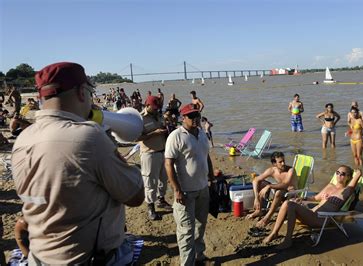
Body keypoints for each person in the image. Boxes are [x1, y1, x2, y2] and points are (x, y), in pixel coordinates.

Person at [12, 62, 144, 264]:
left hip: (40, 258)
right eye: (90, 92)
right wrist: (127, 162)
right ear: (82, 92)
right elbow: (135, 196)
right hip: (88, 258)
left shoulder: (23, 139)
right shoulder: (89, 137)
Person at [263, 166, 362, 249]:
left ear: (348, 177)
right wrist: (302, 199)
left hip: (321, 218)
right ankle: (274, 233)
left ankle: (288, 240)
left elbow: (357, 177)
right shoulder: (330, 186)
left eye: (343, 174)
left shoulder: (346, 191)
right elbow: (315, 198)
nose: (339, 175)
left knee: (290, 205)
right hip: (312, 213)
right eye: (337, 172)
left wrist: (358, 173)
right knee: (287, 203)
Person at [164, 103, 215, 265]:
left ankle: (199, 255)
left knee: (200, 226)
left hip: (202, 188)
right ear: (182, 118)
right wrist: (176, 190)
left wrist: (212, 178)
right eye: (191, 116)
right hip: (185, 192)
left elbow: (206, 156)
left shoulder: (201, 133)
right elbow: (168, 164)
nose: (195, 119)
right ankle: (187, 263)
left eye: (197, 115)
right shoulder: (176, 136)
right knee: (186, 231)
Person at [136, 95, 171, 220]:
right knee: (150, 182)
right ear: (147, 105)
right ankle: (150, 207)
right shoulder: (140, 118)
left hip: (163, 152)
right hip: (149, 154)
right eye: (154, 107)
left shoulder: (160, 115)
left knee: (163, 179)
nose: (157, 109)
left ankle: (161, 200)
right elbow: (136, 137)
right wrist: (154, 133)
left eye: (158, 107)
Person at [246, 152, 296, 228]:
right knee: (261, 183)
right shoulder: (272, 170)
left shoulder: (290, 170)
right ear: (274, 164)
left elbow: (286, 184)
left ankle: (267, 217)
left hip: (291, 193)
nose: (283, 163)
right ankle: (258, 210)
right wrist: (256, 198)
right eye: (280, 162)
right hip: (280, 191)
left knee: (278, 192)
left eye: (284, 161)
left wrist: (269, 186)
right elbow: (255, 180)